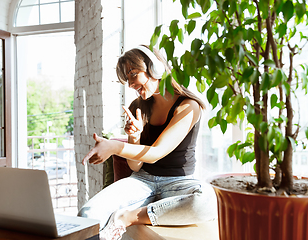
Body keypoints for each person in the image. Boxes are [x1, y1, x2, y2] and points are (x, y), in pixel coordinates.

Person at [78, 45, 216, 240]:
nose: (130, 84)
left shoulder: (188, 106)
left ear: (155, 68)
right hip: (142, 180)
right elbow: (136, 166)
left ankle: (126, 217)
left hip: (179, 182)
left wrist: (114, 146)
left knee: (207, 202)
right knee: (88, 215)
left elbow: (156, 152)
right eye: (127, 78)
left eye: (133, 74)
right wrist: (134, 137)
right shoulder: (138, 107)